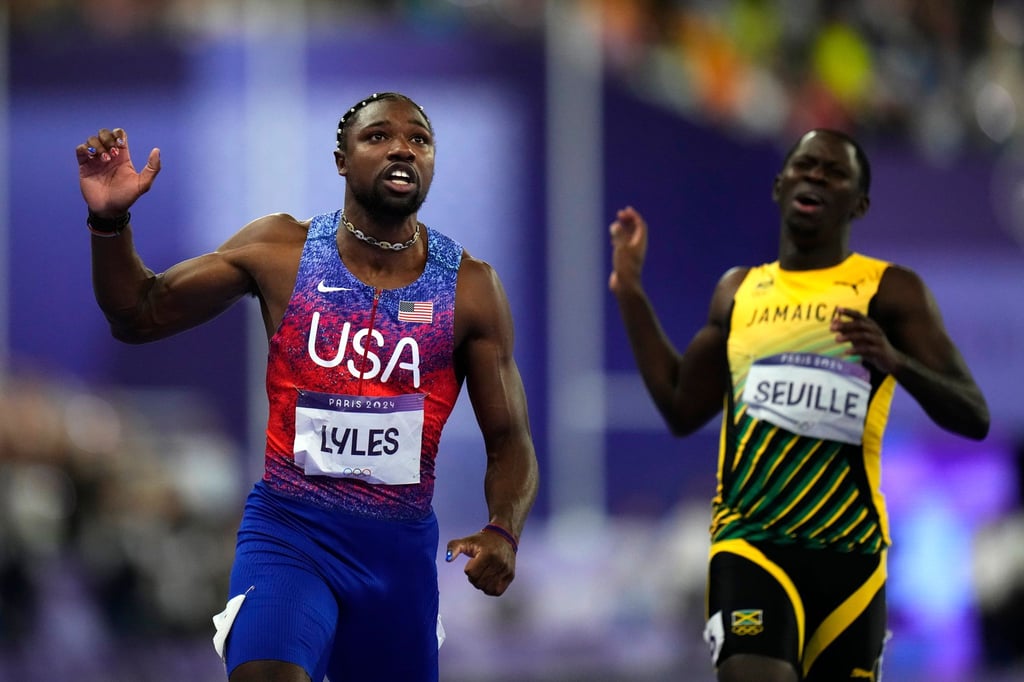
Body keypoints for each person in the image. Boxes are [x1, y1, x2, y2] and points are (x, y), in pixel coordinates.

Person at [76, 91, 539, 682]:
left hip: (397, 557)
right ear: (341, 160)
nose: (402, 148)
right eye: (378, 136)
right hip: (290, 532)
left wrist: (504, 529)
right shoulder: (281, 251)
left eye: (419, 139)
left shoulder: (470, 288)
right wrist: (109, 222)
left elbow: (510, 440)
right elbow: (138, 316)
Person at [608, 128, 989, 682]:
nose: (815, 177)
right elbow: (680, 406)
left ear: (859, 204)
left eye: (834, 173)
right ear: (779, 184)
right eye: (805, 166)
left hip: (850, 559)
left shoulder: (889, 290)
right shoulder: (738, 292)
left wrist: (897, 363)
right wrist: (630, 291)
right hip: (752, 545)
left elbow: (973, 414)